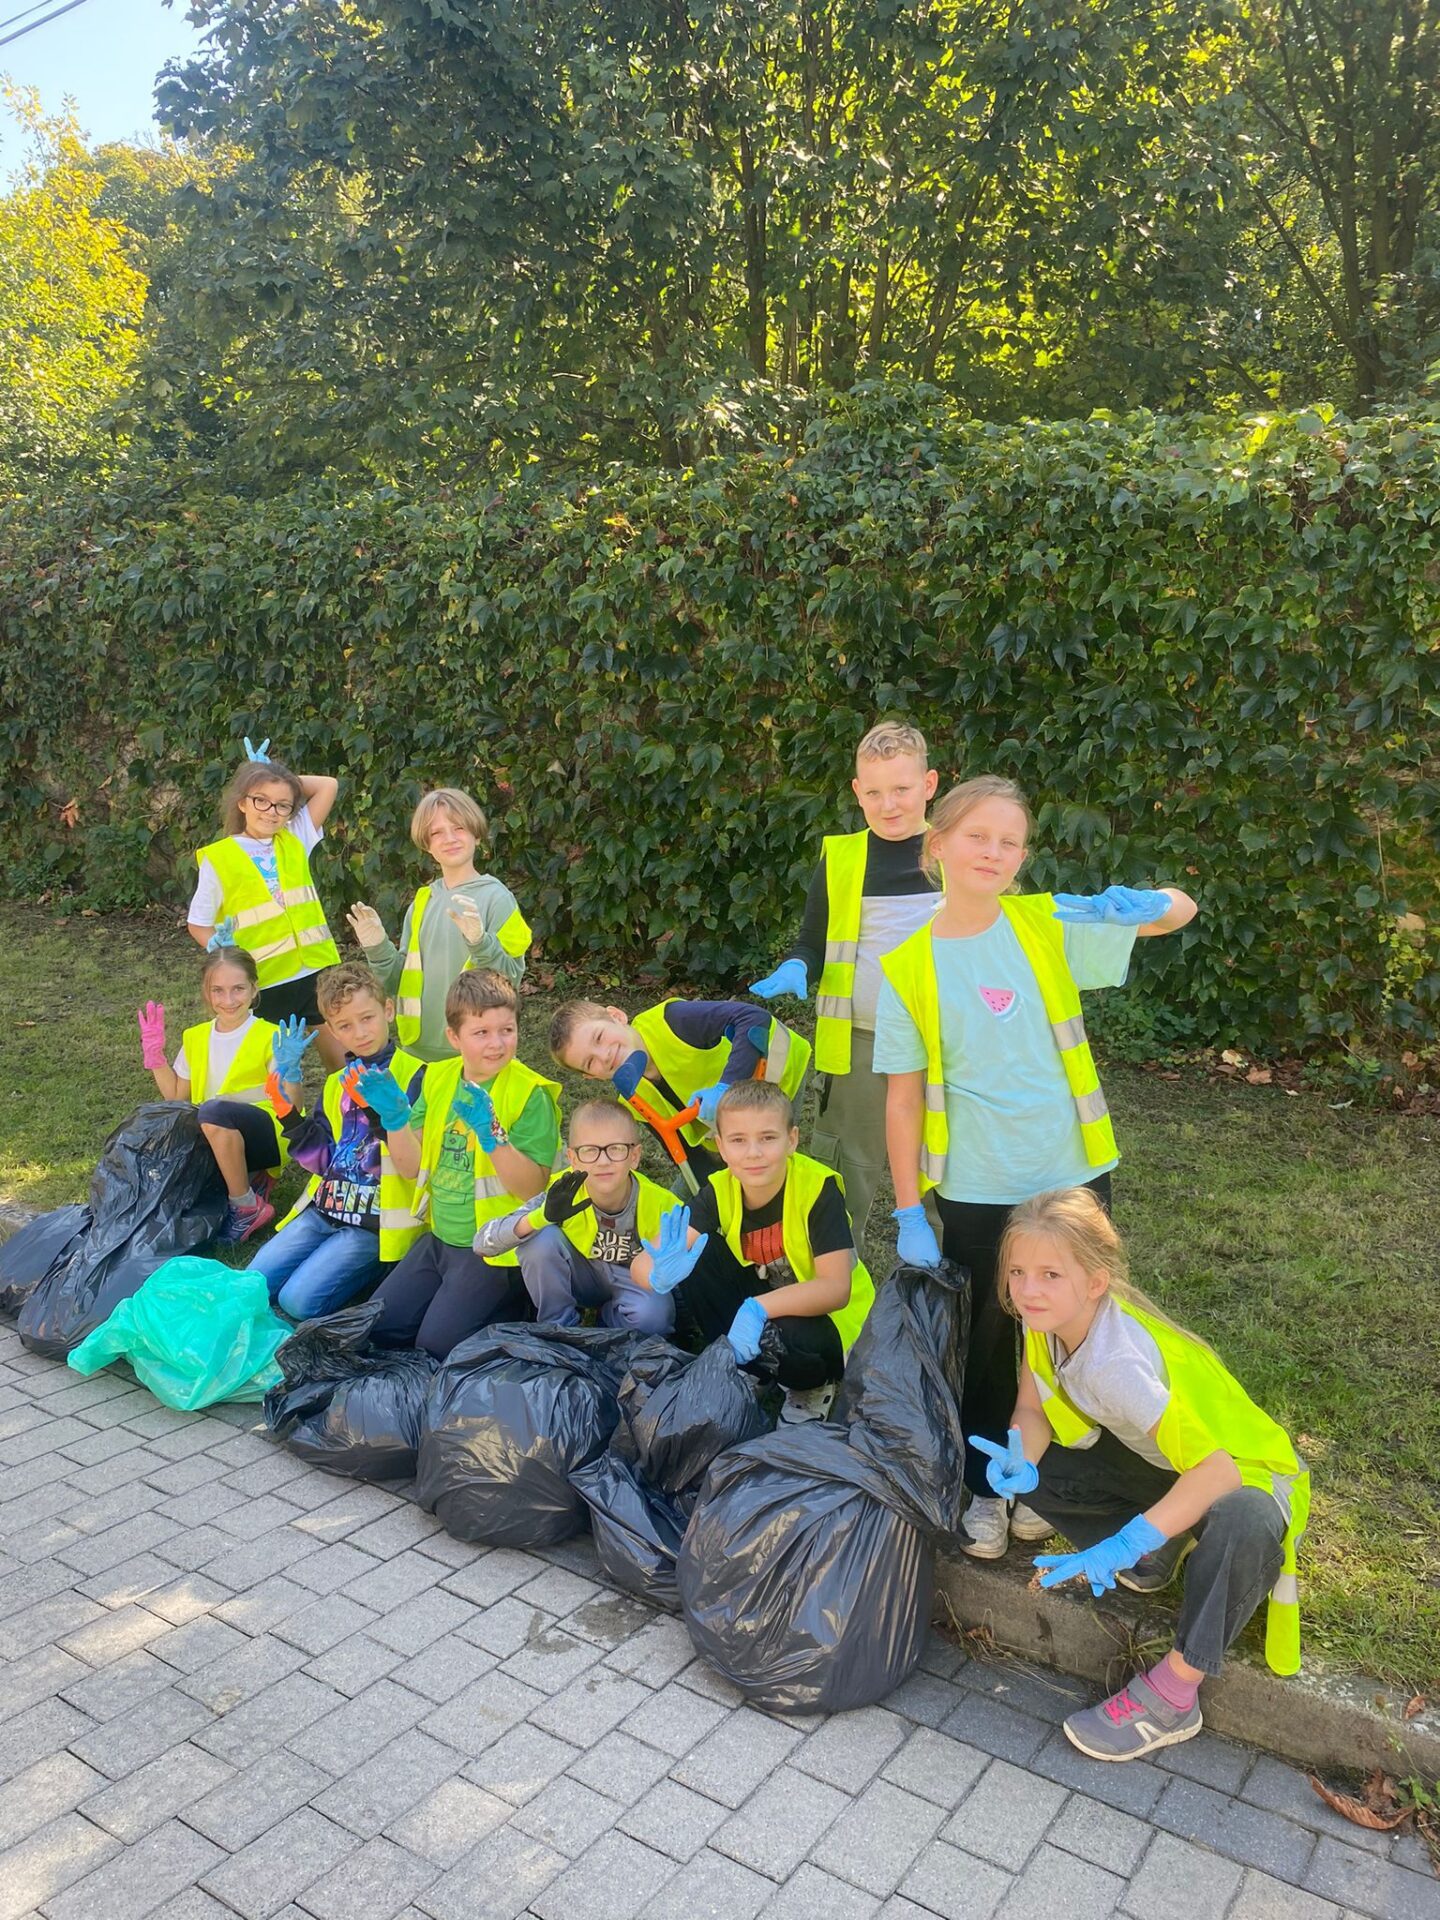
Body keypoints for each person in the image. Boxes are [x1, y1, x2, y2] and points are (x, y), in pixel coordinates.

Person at [875, 774, 1197, 1560]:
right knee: (993, 1341)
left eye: (1010, 842)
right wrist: (910, 1209)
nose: (994, 852)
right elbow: (903, 1102)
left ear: (1022, 857)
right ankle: (989, 1487)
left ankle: (1053, 1483)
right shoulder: (906, 966)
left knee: (1078, 1332)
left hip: (1071, 1171)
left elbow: (1179, 911)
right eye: (977, 836)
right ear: (938, 844)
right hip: (978, 1186)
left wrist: (1146, 901)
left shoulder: (1045, 922)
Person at [973, 1185, 1308, 1760]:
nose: (1027, 1290)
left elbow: (1218, 1471)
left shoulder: (1117, 1365)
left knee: (1243, 1522)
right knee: (1044, 1469)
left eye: (1050, 1274)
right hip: (1176, 1468)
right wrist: (1019, 1458)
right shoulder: (1042, 1321)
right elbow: (1033, 1409)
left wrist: (1123, 1543)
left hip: (1249, 1477)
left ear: (1095, 1282)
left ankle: (1175, 1694)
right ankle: (1165, 1546)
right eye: (1018, 1272)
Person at [749, 719, 942, 1242]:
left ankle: (947, 1282)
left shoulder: (957, 852)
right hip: (858, 1046)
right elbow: (812, 941)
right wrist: (798, 965)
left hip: (942, 1047)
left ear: (928, 785)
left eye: (901, 789)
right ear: (857, 791)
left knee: (943, 1170)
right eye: (874, 793)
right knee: (845, 1173)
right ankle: (833, 1278)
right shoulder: (841, 857)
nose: (888, 805)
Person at [634, 1079, 875, 1422]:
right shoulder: (720, 1189)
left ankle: (810, 1386)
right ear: (721, 1147)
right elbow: (645, 1261)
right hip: (764, 1300)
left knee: (789, 1330)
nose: (753, 1153)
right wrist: (655, 1273)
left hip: (827, 1324)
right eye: (738, 1140)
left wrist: (757, 1308)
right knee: (698, 1252)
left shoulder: (817, 1190)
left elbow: (836, 1289)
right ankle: (753, 1369)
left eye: (767, 1138)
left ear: (792, 1140)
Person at [365, 969, 562, 1359]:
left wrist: (494, 1138)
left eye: (507, 1030)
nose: (497, 1043)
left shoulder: (529, 1094)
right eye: (481, 1032)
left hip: (496, 1249)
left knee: (435, 1346)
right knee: (379, 1328)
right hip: (441, 1239)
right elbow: (410, 1167)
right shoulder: (438, 1078)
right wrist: (396, 1121)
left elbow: (532, 1188)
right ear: (454, 1037)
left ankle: (516, 1305)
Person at [248, 962, 425, 1319]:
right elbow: (324, 1160)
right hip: (326, 1210)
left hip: (375, 1224)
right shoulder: (335, 1084)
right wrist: (289, 1116)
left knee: (296, 1302)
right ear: (331, 1031)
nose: (360, 1033)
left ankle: (375, 1270)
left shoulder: (418, 1076)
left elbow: (415, 1163)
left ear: (388, 1010)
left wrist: (377, 1113)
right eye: (345, 1025)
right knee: (253, 1282)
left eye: (367, 1018)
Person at [186, 736, 345, 1069]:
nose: (271, 811)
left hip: (317, 971)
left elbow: (328, 785)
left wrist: (272, 775)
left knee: (344, 1065)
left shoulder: (295, 837)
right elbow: (198, 923)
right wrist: (217, 947)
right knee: (275, 1072)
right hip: (266, 982)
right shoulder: (219, 858)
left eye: (282, 805)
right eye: (261, 800)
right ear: (242, 802)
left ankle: (347, 1104)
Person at [548, 995, 811, 1189]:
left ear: (616, 1016)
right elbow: (685, 1154)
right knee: (698, 1199)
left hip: (778, 1074)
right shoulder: (633, 1098)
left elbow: (753, 1018)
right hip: (733, 1126)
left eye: (599, 1037)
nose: (604, 1056)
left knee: (772, 1174)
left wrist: (727, 1087)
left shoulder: (674, 1021)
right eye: (590, 1062)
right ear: (591, 1077)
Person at [346, 786, 531, 1063]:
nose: (449, 839)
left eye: (458, 828)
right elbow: (396, 981)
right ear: (427, 845)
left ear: (476, 834)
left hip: (474, 1052)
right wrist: (377, 948)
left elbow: (510, 980)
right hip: (417, 1051)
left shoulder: (499, 899)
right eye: (437, 833)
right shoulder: (423, 901)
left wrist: (481, 944)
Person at [472, 1098, 681, 1334]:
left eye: (616, 1149)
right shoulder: (561, 1192)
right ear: (572, 1158)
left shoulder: (662, 1204)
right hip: (580, 1277)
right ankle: (560, 1329)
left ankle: (609, 1326)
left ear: (634, 1156)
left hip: (632, 1281)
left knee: (654, 1318)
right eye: (590, 1151)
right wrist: (540, 1217)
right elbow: (482, 1244)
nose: (603, 1161)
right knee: (538, 1241)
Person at [135, 946, 294, 1243]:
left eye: (238, 989)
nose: (229, 1000)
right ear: (206, 993)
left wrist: (292, 1072)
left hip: (268, 1136)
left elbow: (293, 1107)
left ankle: (245, 1205)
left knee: (213, 1110)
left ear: (254, 989)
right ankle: (242, 1182)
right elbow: (177, 1099)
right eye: (218, 991)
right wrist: (155, 1057)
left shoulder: (272, 1035)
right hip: (215, 1132)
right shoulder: (195, 1037)